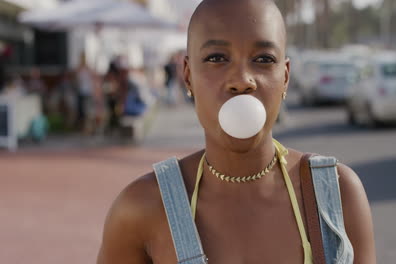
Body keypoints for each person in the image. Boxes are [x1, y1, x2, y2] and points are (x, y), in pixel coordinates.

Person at [97, 0, 376, 263]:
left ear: (285, 77)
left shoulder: (337, 194)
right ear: (188, 76)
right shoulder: (141, 207)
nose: (242, 80)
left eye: (264, 59)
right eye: (217, 57)